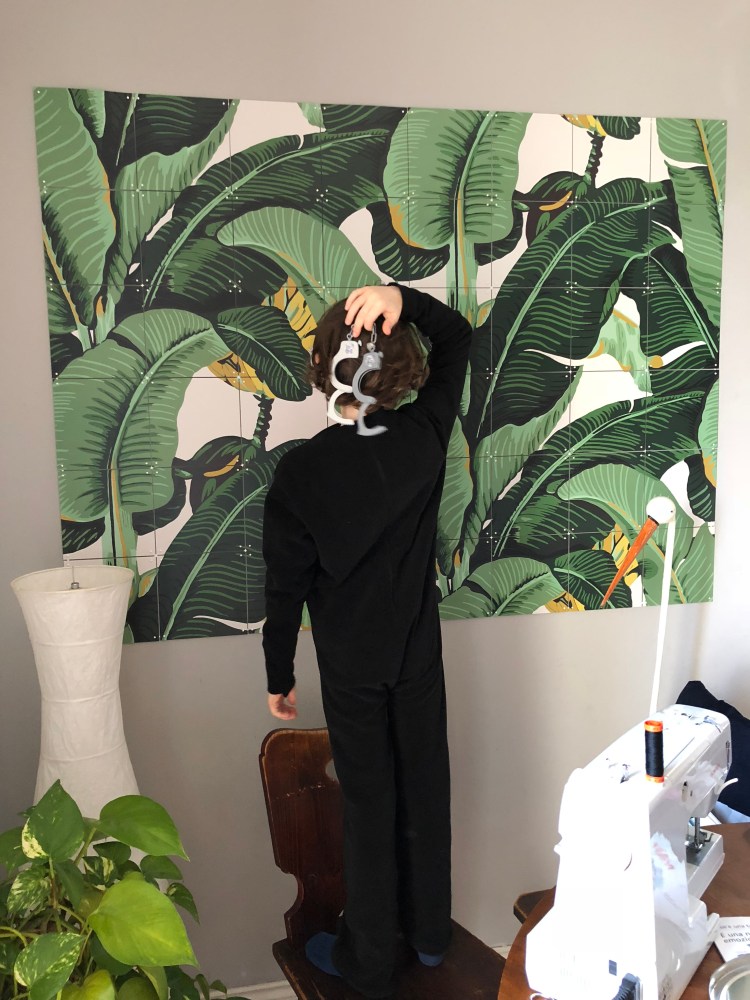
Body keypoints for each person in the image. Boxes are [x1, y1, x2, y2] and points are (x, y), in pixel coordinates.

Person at [262, 283, 472, 998]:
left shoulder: (301, 472)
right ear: (403, 369)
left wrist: (279, 675)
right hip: (417, 656)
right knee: (425, 785)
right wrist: (399, 299)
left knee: (369, 804)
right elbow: (459, 337)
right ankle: (432, 935)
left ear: (325, 370)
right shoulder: (424, 436)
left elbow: (285, 588)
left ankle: (369, 959)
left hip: (351, 667)